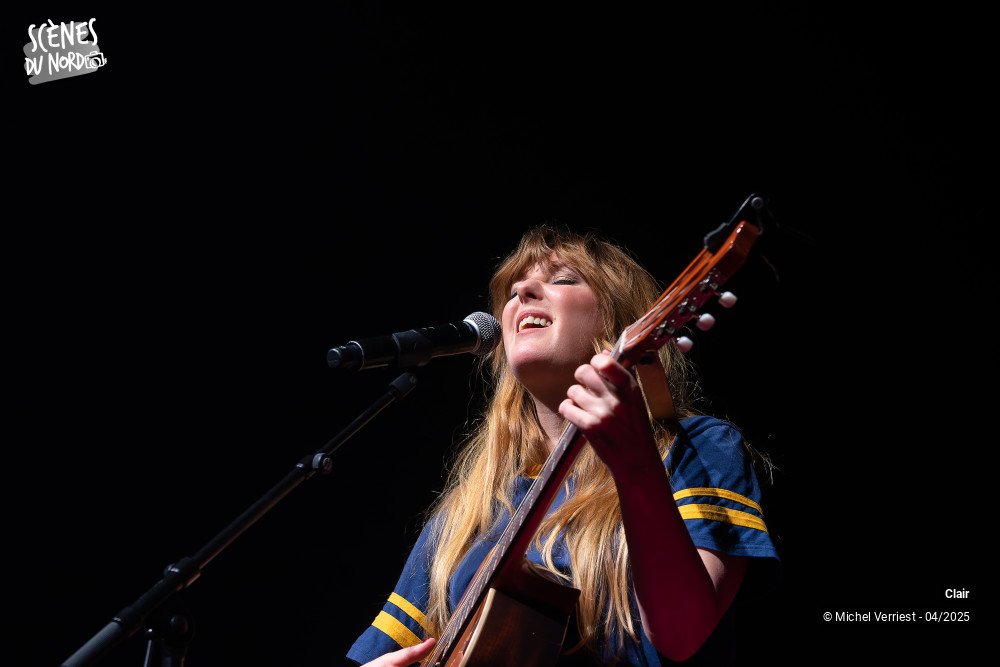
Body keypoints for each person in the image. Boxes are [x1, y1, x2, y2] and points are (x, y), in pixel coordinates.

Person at [346, 223, 779, 666]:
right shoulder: (470, 508)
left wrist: (636, 467)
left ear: (620, 322)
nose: (523, 291)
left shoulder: (696, 448)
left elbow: (682, 634)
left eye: (563, 279)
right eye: (513, 291)